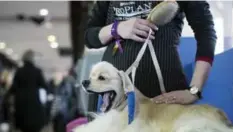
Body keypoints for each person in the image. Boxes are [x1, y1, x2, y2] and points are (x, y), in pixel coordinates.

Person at [85, 1, 217, 105]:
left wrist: (194, 91)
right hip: (112, 100)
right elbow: (89, 37)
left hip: (165, 99)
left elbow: (206, 32)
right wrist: (116, 28)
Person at [5, 50, 48, 132]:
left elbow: (13, 87)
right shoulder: (37, 71)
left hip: (21, 104)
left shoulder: (19, 71)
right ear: (33, 59)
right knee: (36, 126)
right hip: (34, 103)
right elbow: (44, 85)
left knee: (24, 129)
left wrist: (7, 95)